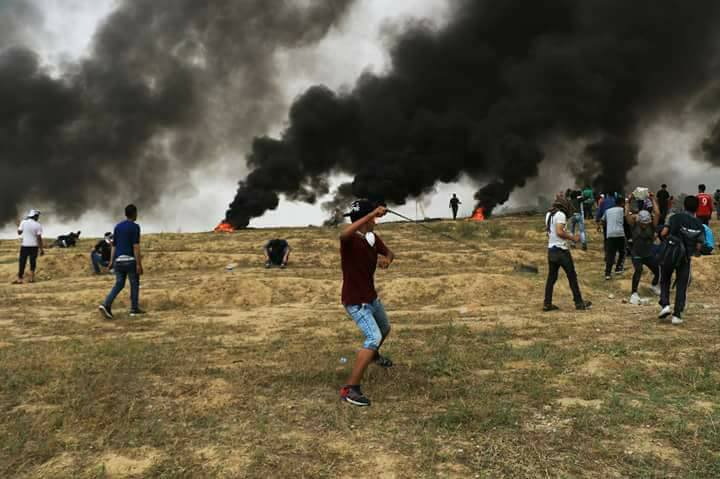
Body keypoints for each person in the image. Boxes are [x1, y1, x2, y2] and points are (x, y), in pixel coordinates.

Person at [338, 199, 395, 407]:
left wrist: (387, 260)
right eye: (372, 218)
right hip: (355, 300)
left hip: (371, 297)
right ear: (367, 219)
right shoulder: (350, 240)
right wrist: (371, 214)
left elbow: (390, 253)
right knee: (373, 337)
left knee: (385, 328)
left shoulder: (371, 238)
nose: (375, 222)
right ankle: (350, 389)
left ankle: (372, 356)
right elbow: (343, 234)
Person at [658, 196, 704, 325]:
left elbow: (663, 233)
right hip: (685, 258)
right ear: (697, 208)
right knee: (682, 285)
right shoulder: (699, 224)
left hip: (670, 253)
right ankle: (677, 314)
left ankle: (665, 304)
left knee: (665, 279)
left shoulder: (675, 217)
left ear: (684, 205)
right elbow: (699, 245)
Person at [543, 198, 592, 312]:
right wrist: (573, 237)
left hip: (551, 250)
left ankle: (547, 303)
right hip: (561, 251)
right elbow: (559, 231)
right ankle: (579, 302)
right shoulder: (560, 215)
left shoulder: (549, 214)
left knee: (551, 278)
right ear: (564, 206)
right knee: (572, 277)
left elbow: (549, 232)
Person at [98, 204, 144, 319]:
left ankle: (106, 304)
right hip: (130, 261)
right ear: (134, 214)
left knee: (119, 284)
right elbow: (136, 246)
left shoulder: (117, 227)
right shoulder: (135, 227)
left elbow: (114, 245)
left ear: (125, 214)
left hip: (118, 261)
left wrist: (111, 261)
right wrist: (139, 264)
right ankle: (134, 309)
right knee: (134, 284)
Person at [625, 194, 661, 304]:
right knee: (638, 270)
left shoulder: (651, 225)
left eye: (647, 223)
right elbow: (626, 213)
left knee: (657, 270)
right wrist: (628, 200)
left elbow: (657, 213)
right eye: (643, 223)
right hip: (637, 254)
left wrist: (652, 199)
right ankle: (634, 293)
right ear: (639, 221)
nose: (645, 225)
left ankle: (654, 286)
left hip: (648, 254)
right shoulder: (633, 224)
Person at [14, 209, 44, 284]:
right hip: (34, 246)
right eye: (37, 216)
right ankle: (31, 278)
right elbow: (39, 238)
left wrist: (18, 225)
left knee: (22, 262)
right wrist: (41, 249)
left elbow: (19, 232)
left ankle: (20, 279)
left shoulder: (23, 222)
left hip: (25, 245)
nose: (38, 218)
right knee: (32, 262)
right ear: (35, 216)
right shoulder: (38, 225)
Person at [601, 196, 626, 279]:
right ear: (622, 203)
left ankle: (607, 273)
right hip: (620, 234)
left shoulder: (607, 211)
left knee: (610, 254)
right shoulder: (623, 210)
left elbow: (603, 220)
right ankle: (618, 268)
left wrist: (607, 228)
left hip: (610, 234)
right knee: (622, 252)